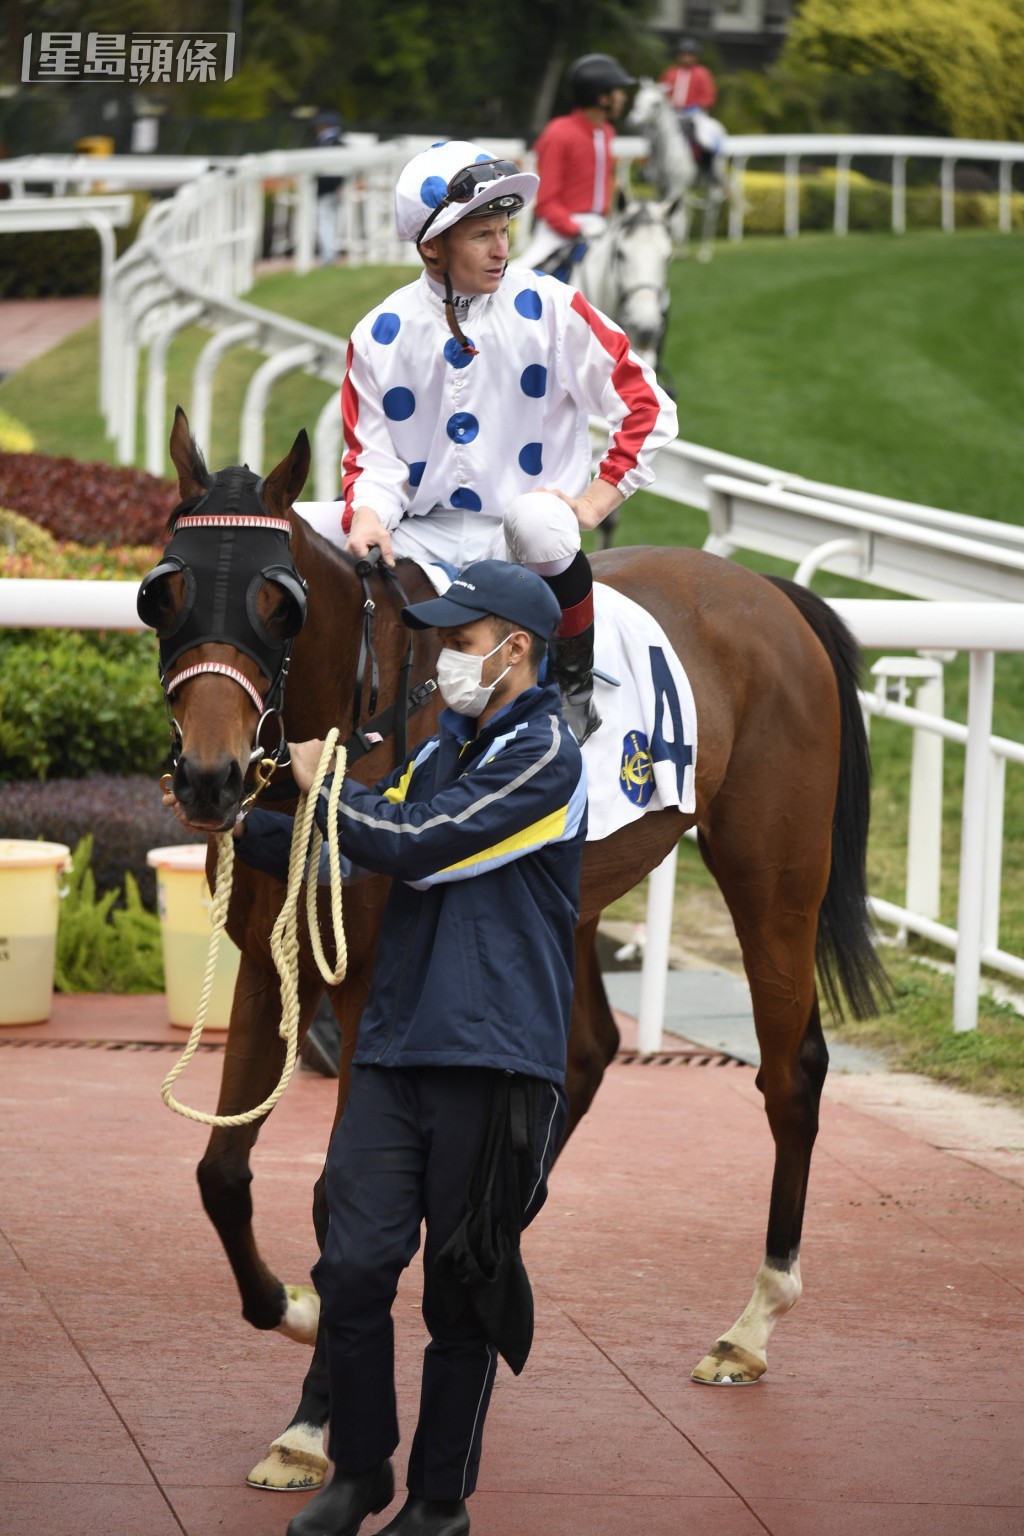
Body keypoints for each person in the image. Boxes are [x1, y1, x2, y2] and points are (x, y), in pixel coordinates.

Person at [195, 561, 588, 1536]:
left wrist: (326, 783)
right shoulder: (434, 750)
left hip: (496, 1063)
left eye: (461, 639)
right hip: (397, 1052)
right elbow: (345, 857)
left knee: (459, 1297)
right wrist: (234, 815)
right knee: (354, 1270)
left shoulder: (547, 756)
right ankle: (361, 1470)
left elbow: (419, 842)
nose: (446, 655)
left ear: (516, 650)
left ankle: (439, 1502)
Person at [338, 136, 678, 745]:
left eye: (505, 231)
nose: (501, 250)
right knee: (301, 540)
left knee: (542, 520)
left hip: (520, 537)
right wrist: (367, 515)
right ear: (431, 246)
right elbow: (373, 458)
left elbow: (647, 407)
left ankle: (573, 684)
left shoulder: (551, 306)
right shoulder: (377, 334)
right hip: (422, 534)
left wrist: (595, 501)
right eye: (481, 235)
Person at [518, 52, 637, 275]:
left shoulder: (607, 132)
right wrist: (575, 229)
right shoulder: (558, 133)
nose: (623, 97)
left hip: (599, 227)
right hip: (559, 230)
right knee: (520, 276)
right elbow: (546, 202)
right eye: (619, 91)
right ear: (603, 98)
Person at [659, 35, 717, 121]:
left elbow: (708, 96)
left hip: (695, 114)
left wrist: (696, 107)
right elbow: (661, 92)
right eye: (683, 55)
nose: (686, 58)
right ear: (678, 56)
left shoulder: (702, 73)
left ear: (696, 56)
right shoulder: (670, 73)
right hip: (671, 113)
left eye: (690, 55)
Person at [313, 109, 345, 265]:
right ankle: (330, 253)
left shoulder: (330, 143)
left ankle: (329, 255)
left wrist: (338, 185)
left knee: (325, 221)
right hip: (334, 189)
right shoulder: (336, 142)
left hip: (328, 189)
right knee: (330, 221)